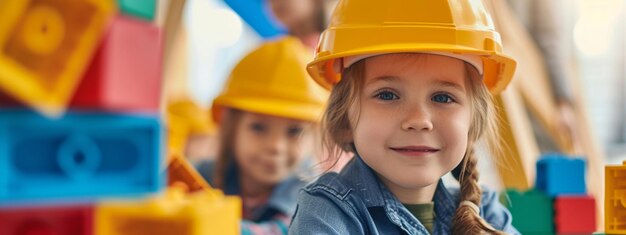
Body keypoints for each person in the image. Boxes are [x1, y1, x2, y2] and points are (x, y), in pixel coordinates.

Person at [289, 0, 520, 234]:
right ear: (345, 120)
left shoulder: (487, 214)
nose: (418, 120)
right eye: (387, 95)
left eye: (442, 98)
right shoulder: (326, 210)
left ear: (472, 125)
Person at [195, 37, 328, 234]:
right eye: (258, 127)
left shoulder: (315, 196)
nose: (276, 146)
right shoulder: (204, 175)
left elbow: (283, 230)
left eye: (294, 131)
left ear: (316, 136)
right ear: (231, 129)